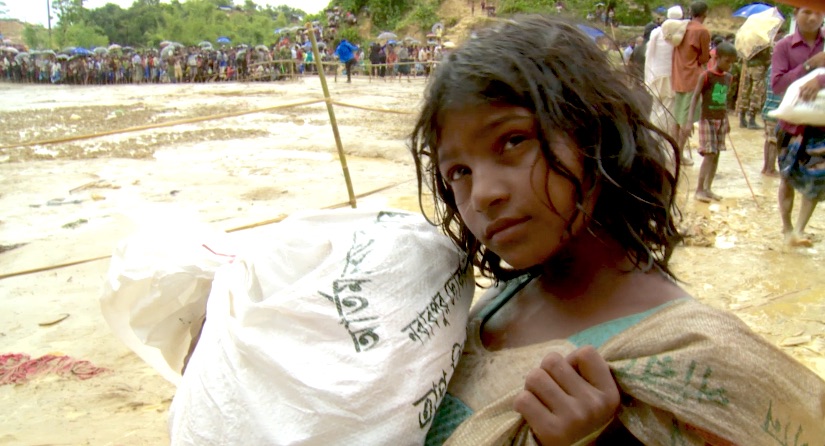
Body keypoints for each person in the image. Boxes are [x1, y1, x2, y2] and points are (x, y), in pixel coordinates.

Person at [410, 15, 825, 445]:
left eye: (513, 141)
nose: (482, 195)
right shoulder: (486, 308)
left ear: (596, 134)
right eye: (459, 170)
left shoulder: (697, 359)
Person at [771, 7, 825, 247]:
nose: (813, 18)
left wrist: (820, 79)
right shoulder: (784, 47)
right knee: (787, 177)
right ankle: (786, 228)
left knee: (815, 179)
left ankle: (800, 230)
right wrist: (808, 66)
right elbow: (778, 85)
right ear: (795, 14)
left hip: (821, 127)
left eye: (818, 13)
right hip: (790, 126)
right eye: (806, 12)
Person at [687, 42, 736, 203]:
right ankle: (699, 189)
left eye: (732, 62)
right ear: (717, 58)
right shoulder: (706, 76)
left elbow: (724, 101)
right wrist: (689, 122)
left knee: (717, 154)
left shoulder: (728, 78)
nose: (729, 65)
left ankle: (708, 188)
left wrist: (727, 120)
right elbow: (695, 98)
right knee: (709, 154)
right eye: (727, 61)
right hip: (707, 119)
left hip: (720, 119)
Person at [672, 1, 711, 166]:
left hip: (678, 75)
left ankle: (675, 153)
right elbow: (703, 58)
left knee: (677, 118)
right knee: (687, 120)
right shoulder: (702, 31)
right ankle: (679, 155)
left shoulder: (682, 28)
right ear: (705, 14)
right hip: (692, 77)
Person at [645, 6, 682, 136]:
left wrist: (648, 75)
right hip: (672, 76)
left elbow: (649, 54)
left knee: (656, 108)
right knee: (668, 111)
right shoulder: (681, 32)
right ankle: (661, 138)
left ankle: (653, 136)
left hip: (656, 74)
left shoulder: (656, 32)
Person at [737, 46, 771, 129]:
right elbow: (766, 60)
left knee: (745, 91)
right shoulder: (764, 44)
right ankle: (752, 119)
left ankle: (742, 117)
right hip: (758, 68)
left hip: (748, 67)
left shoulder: (748, 43)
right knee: (756, 92)